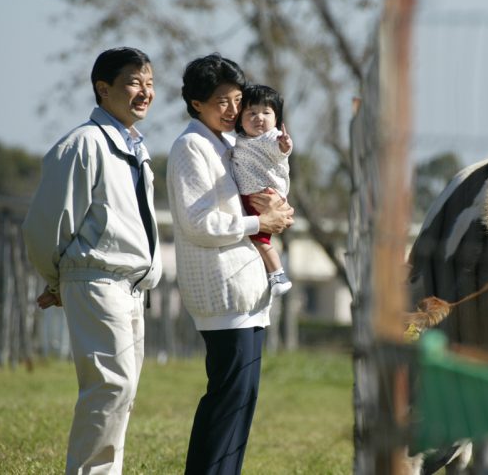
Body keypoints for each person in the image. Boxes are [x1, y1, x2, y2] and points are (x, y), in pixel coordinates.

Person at [22, 47, 162, 474]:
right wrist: (58, 279)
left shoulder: (135, 147)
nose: (145, 92)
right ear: (103, 90)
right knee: (110, 389)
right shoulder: (83, 144)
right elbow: (46, 225)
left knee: (121, 394)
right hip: (99, 281)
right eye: (134, 83)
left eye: (150, 83)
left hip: (130, 288)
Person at [166, 53, 294, 474]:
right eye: (221, 100)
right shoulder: (191, 146)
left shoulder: (228, 145)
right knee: (227, 403)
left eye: (238, 99)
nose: (233, 109)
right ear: (196, 103)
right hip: (223, 295)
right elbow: (198, 223)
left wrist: (275, 207)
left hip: (246, 294)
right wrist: (262, 220)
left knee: (241, 403)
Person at [232, 84, 293, 296]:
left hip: (264, 196)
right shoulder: (242, 140)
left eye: (267, 112)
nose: (259, 117)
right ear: (240, 118)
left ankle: (278, 274)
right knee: (257, 240)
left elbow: (280, 148)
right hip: (254, 195)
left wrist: (284, 144)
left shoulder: (268, 138)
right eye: (252, 112)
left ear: (276, 120)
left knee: (260, 239)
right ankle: (272, 273)